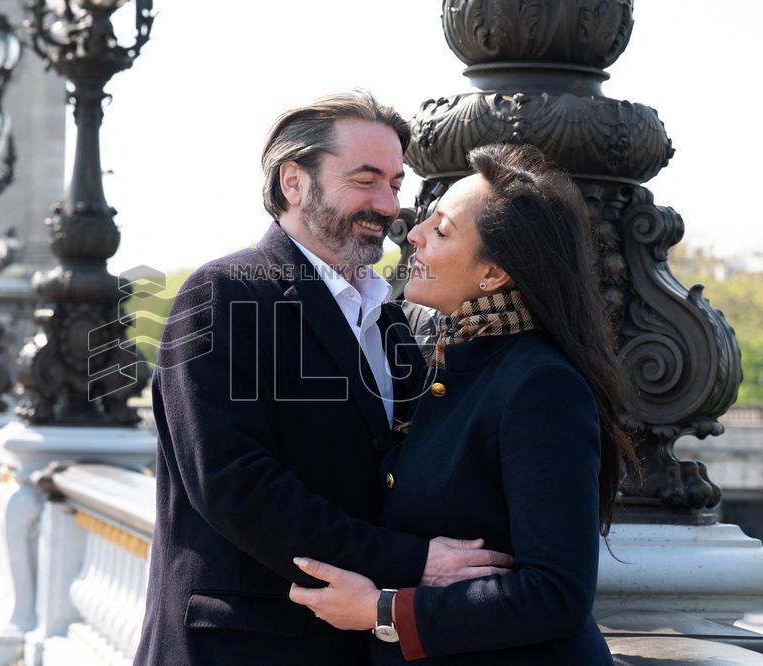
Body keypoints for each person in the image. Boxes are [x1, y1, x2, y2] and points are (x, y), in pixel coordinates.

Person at [135, 93, 513, 666]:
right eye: (365, 181)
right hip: (240, 647)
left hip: (361, 643)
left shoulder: (388, 315)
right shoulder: (221, 296)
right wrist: (411, 563)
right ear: (293, 182)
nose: (387, 205)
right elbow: (236, 486)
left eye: (394, 183)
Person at [289, 143, 634, 664]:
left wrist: (382, 611)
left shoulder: (539, 384)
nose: (413, 235)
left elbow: (557, 593)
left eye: (442, 231)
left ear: (493, 276)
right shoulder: (454, 360)